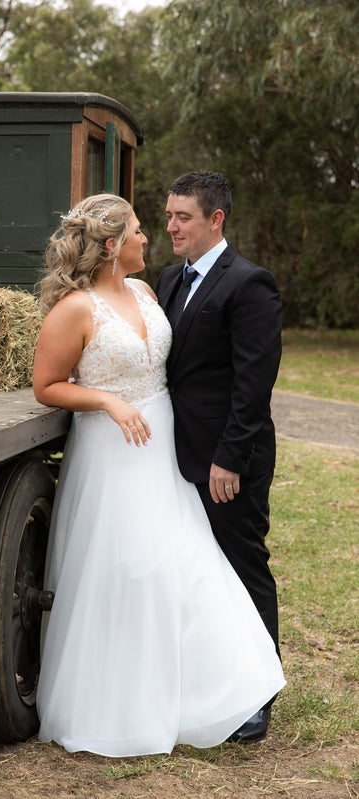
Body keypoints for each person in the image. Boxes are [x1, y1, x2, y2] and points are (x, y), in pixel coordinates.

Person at [33, 192, 284, 757]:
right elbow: (46, 384)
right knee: (127, 569)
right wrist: (108, 401)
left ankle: (231, 688)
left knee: (193, 562)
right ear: (111, 244)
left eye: (172, 220)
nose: (153, 235)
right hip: (113, 452)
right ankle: (120, 698)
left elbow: (225, 370)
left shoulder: (150, 291)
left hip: (167, 452)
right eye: (143, 229)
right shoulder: (76, 309)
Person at [155, 171, 283, 743]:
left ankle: (258, 695)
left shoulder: (250, 284)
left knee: (241, 564)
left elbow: (253, 386)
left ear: (216, 220)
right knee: (198, 571)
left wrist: (229, 459)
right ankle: (210, 679)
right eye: (168, 215)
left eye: (183, 216)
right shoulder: (167, 279)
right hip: (174, 455)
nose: (171, 226)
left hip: (229, 458)